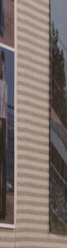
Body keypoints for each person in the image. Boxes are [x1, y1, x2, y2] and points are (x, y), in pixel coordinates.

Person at [0, 49, 8, 222]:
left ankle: (3, 210)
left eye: (4, 65)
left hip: (3, 124)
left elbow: (6, 109)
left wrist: (6, 135)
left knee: (3, 166)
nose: (3, 68)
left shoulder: (5, 85)